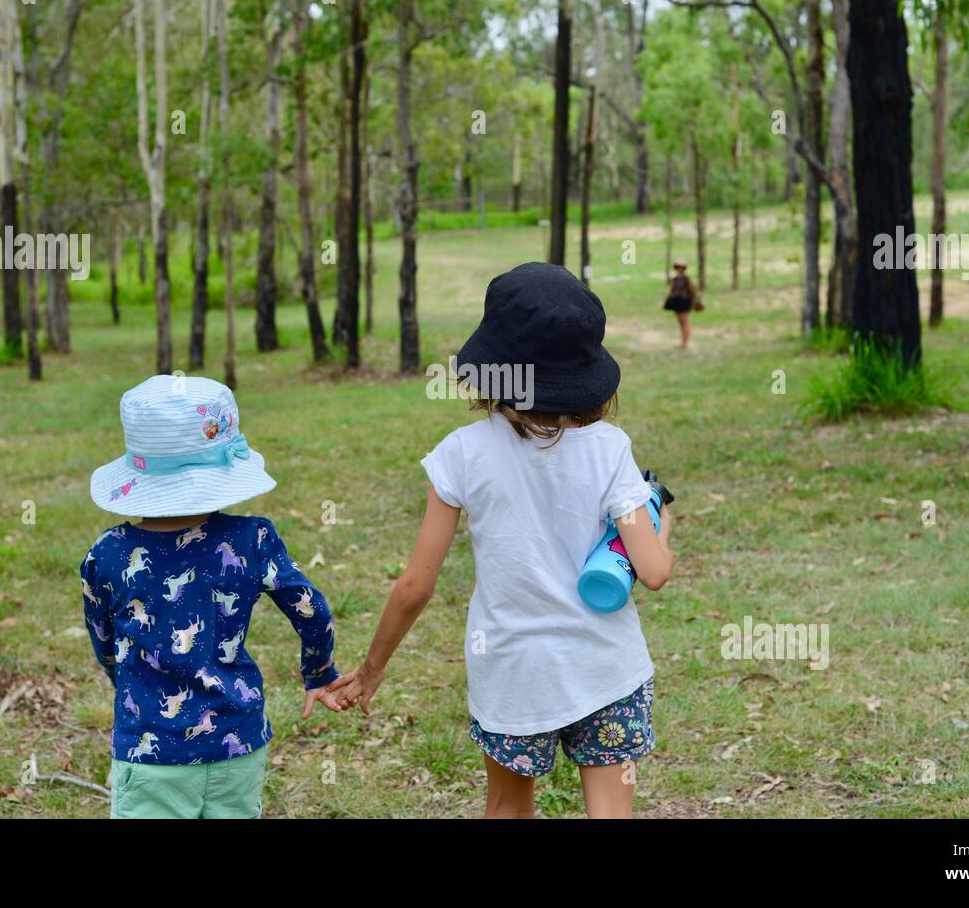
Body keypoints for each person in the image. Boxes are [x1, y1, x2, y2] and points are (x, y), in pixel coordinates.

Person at [331, 263, 676, 818]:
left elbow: (417, 585)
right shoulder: (611, 449)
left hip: (512, 678)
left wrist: (372, 669)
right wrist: (662, 528)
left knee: (508, 809)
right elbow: (654, 570)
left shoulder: (461, 453)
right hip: (607, 672)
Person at [80, 374, 342, 818]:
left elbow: (103, 641)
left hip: (150, 755)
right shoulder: (253, 538)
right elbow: (312, 610)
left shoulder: (107, 555)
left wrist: (126, 683)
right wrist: (319, 671)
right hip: (237, 743)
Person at [663, 260, 700, 349]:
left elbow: (692, 291)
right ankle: (683, 341)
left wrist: (692, 303)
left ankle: (685, 342)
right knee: (680, 322)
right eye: (678, 267)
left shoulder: (687, 279)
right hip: (676, 301)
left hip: (684, 301)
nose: (679, 269)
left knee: (685, 322)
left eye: (681, 267)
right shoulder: (674, 279)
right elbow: (671, 290)